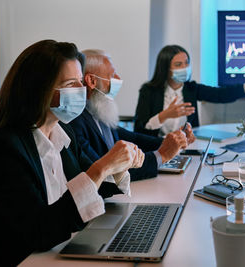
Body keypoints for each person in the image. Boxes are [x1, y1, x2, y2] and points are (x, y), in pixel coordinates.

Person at [0, 40, 145, 266]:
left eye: (81, 82)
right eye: (71, 83)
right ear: (38, 90)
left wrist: (118, 168)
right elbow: (40, 231)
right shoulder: (2, 149)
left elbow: (91, 185)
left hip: (49, 254)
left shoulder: (62, 131)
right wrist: (102, 168)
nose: (82, 91)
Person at [64, 49, 195, 181]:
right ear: (91, 81)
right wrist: (162, 155)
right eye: (112, 74)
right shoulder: (75, 121)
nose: (118, 79)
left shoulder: (97, 111)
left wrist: (172, 142)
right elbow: (106, 172)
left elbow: (133, 138)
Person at [134, 45, 245, 137]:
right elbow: (140, 130)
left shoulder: (191, 89)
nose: (185, 68)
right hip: (156, 151)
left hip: (186, 151)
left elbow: (224, 94)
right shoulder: (149, 91)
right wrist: (165, 115)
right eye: (178, 64)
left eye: (187, 63)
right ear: (166, 68)